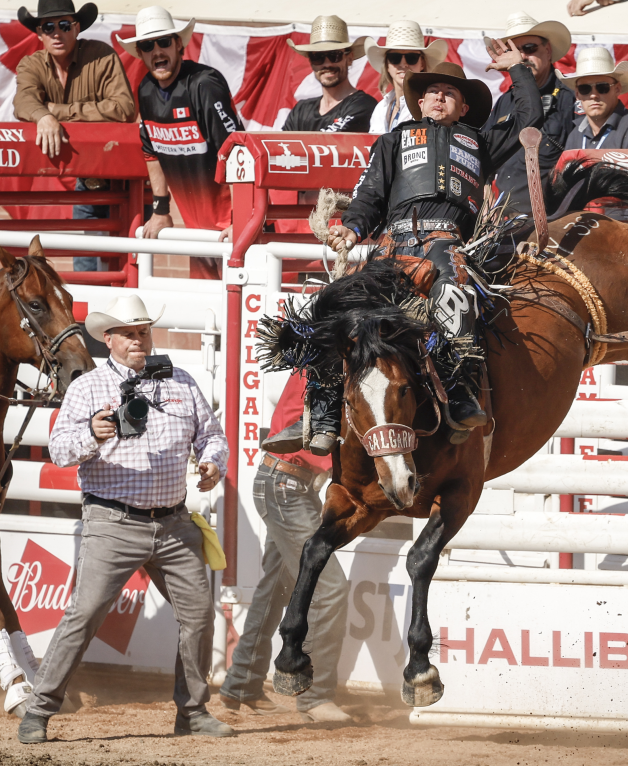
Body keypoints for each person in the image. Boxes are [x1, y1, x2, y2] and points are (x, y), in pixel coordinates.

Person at [17, 295, 231, 744]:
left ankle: (192, 712)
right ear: (108, 338)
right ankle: (39, 708)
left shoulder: (181, 381)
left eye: (143, 331)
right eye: (128, 333)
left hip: (173, 523)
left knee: (198, 615)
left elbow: (212, 436)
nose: (138, 340)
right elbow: (59, 451)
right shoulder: (87, 388)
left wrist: (212, 463)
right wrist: (92, 434)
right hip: (113, 521)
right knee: (85, 613)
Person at [311, 44, 542, 451]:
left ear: (463, 106)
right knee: (333, 306)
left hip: (445, 241)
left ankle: (459, 395)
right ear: (419, 102)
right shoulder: (391, 142)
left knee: (455, 296)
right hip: (392, 242)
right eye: (433, 91)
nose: (439, 97)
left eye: (449, 93)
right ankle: (323, 413)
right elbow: (369, 195)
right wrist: (350, 229)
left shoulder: (480, 143)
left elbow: (528, 117)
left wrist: (518, 70)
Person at [219, 375, 350, 722]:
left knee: (276, 589)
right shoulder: (327, 365)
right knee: (328, 588)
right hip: (288, 486)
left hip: (284, 482)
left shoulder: (319, 361)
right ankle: (316, 697)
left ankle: (241, 682)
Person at [118, 6, 243, 280]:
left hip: (233, 230)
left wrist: (240, 221)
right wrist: (161, 211)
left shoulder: (204, 85)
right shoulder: (146, 90)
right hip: (197, 233)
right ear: (140, 53)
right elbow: (151, 154)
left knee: (246, 314)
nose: (157, 51)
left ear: (179, 45)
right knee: (207, 312)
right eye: (148, 45)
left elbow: (237, 153)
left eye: (164, 42)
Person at [14, 0, 135, 273]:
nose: (57, 33)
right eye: (49, 26)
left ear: (77, 27)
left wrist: (59, 111)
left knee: (129, 264)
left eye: (65, 25)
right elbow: (23, 102)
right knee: (87, 265)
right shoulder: (31, 65)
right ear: (39, 33)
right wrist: (44, 116)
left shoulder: (102, 55)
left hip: (125, 180)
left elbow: (124, 108)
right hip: (88, 179)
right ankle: (85, 314)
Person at [482, 12, 575, 216]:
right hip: (499, 220)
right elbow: (482, 153)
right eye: (514, 50)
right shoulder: (505, 100)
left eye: (530, 48)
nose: (522, 56)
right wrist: (486, 193)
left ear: (548, 51)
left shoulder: (570, 99)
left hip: (547, 222)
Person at [283, 16, 376, 133]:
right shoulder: (301, 110)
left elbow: (334, 142)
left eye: (334, 55)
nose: (327, 64)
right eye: (318, 57)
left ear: (350, 58)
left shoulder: (363, 105)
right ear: (311, 62)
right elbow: (282, 148)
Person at [561, 47, 628, 150]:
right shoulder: (576, 134)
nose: (593, 95)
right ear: (577, 94)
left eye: (602, 87)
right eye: (585, 89)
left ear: (617, 89)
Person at [366, 20, 447, 135]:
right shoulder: (380, 108)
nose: (403, 64)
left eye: (411, 57)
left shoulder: (431, 105)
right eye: (395, 57)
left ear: (422, 63)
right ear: (387, 64)